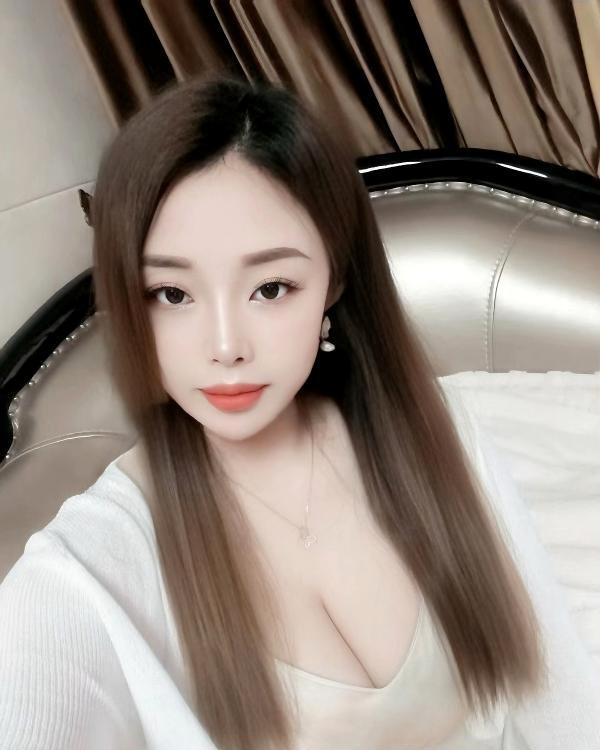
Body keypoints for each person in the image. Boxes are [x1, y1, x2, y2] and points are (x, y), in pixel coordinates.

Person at [0, 72, 599, 750]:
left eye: (271, 287)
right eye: (171, 294)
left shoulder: (432, 431)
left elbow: (559, 700)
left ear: (333, 280)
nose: (225, 346)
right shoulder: (96, 560)